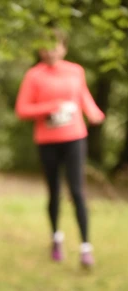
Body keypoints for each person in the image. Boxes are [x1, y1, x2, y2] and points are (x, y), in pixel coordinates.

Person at [15, 30, 105, 268]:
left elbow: (82, 96)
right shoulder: (34, 76)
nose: (50, 51)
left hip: (75, 137)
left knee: (77, 191)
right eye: (45, 47)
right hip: (47, 141)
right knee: (54, 191)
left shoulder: (76, 71)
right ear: (40, 50)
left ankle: (86, 247)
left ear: (64, 47)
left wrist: (93, 112)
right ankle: (56, 238)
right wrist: (49, 108)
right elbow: (22, 109)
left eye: (55, 46)